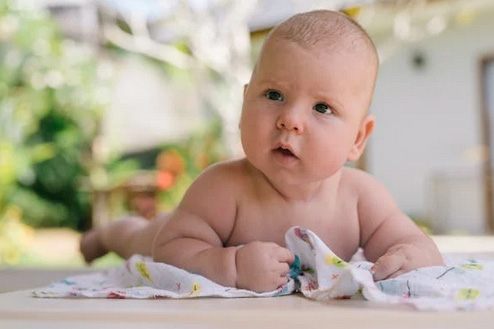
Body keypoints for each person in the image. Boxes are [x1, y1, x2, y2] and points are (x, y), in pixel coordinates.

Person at [80, 10, 444, 293]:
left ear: (358, 138)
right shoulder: (222, 187)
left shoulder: (361, 198)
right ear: (244, 102)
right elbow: (169, 251)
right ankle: (108, 234)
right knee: (137, 237)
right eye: (273, 95)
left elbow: (412, 242)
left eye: (322, 108)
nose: (290, 120)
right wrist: (232, 266)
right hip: (161, 233)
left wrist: (414, 256)